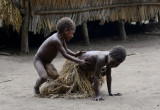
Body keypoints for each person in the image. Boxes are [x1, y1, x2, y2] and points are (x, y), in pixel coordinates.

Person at [33, 17, 87, 95]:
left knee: (57, 78)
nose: (72, 36)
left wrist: (75, 54)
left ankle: (50, 87)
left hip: (47, 62)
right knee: (43, 77)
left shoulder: (62, 39)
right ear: (66, 31)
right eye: (72, 33)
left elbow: (67, 50)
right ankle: (36, 87)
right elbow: (65, 55)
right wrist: (78, 61)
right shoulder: (56, 40)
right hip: (39, 60)